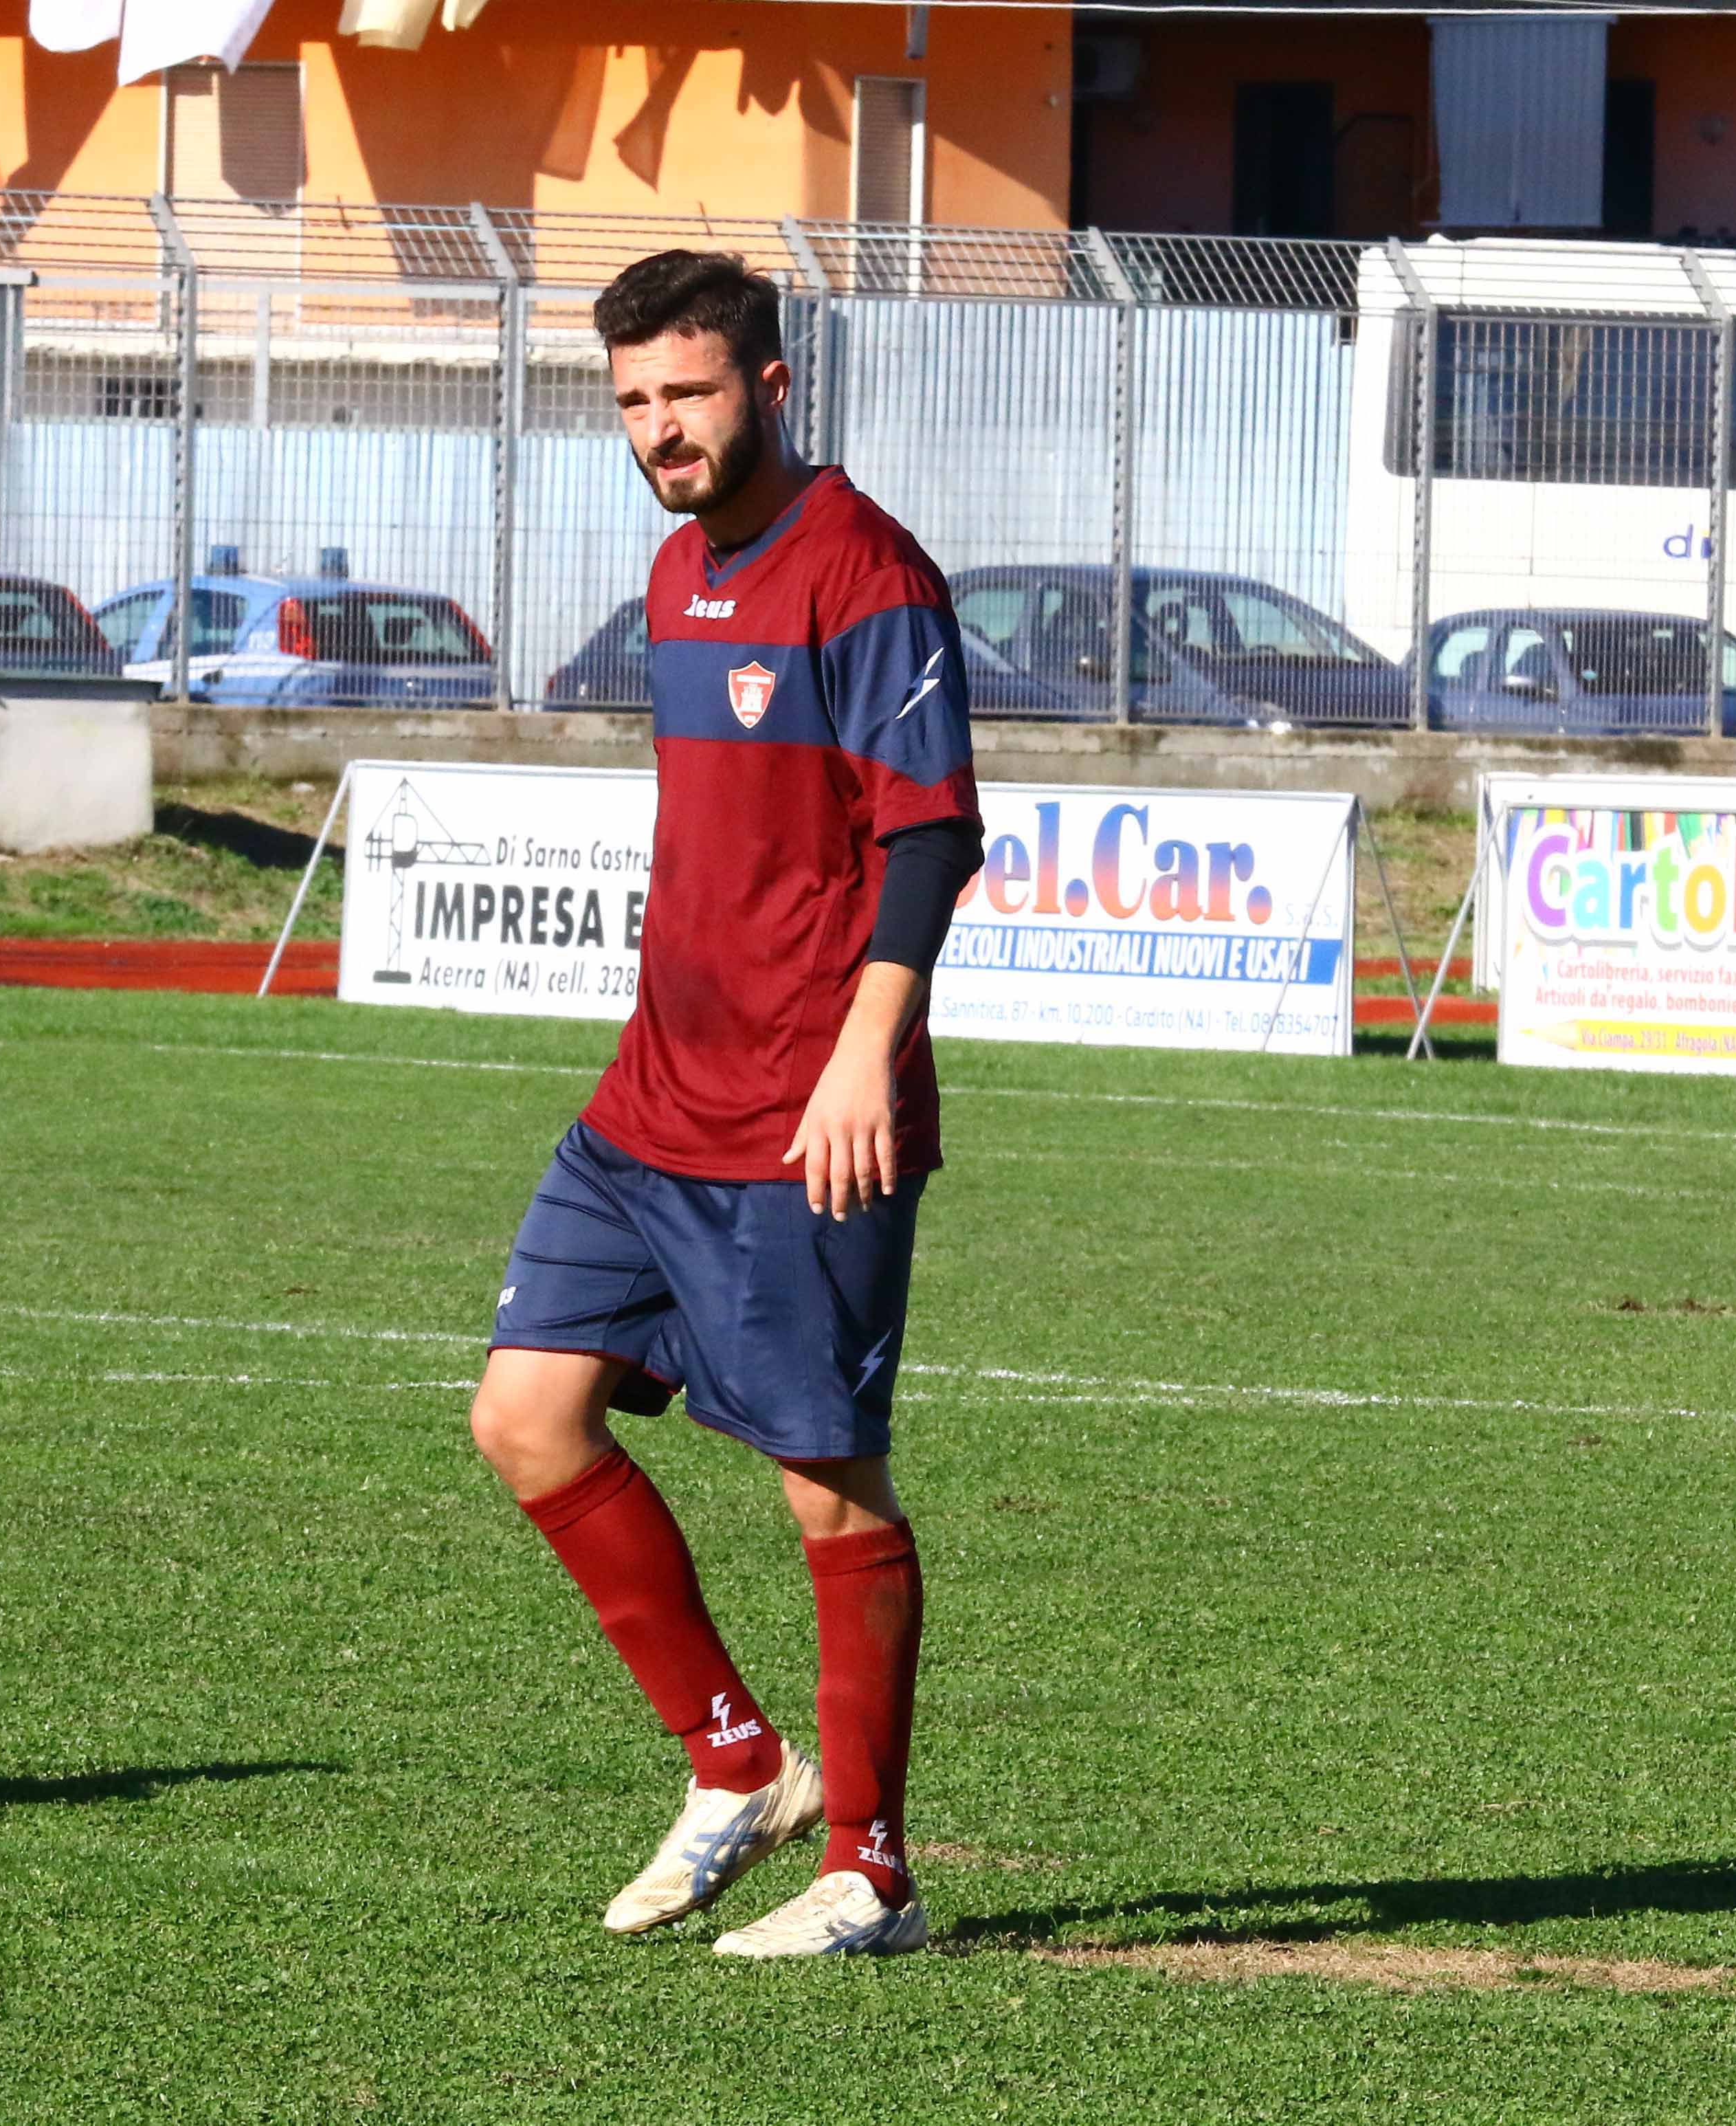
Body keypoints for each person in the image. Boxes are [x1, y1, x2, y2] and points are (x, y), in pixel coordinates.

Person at [465, 250, 983, 1960]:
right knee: (526, 1416)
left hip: (799, 1108)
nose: (658, 430)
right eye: (629, 403)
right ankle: (734, 1761)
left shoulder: (866, 568)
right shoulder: (680, 562)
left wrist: (863, 1054)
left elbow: (929, 831)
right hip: (647, 1101)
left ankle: (873, 1869)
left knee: (828, 1485)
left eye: (684, 393)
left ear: (769, 382)